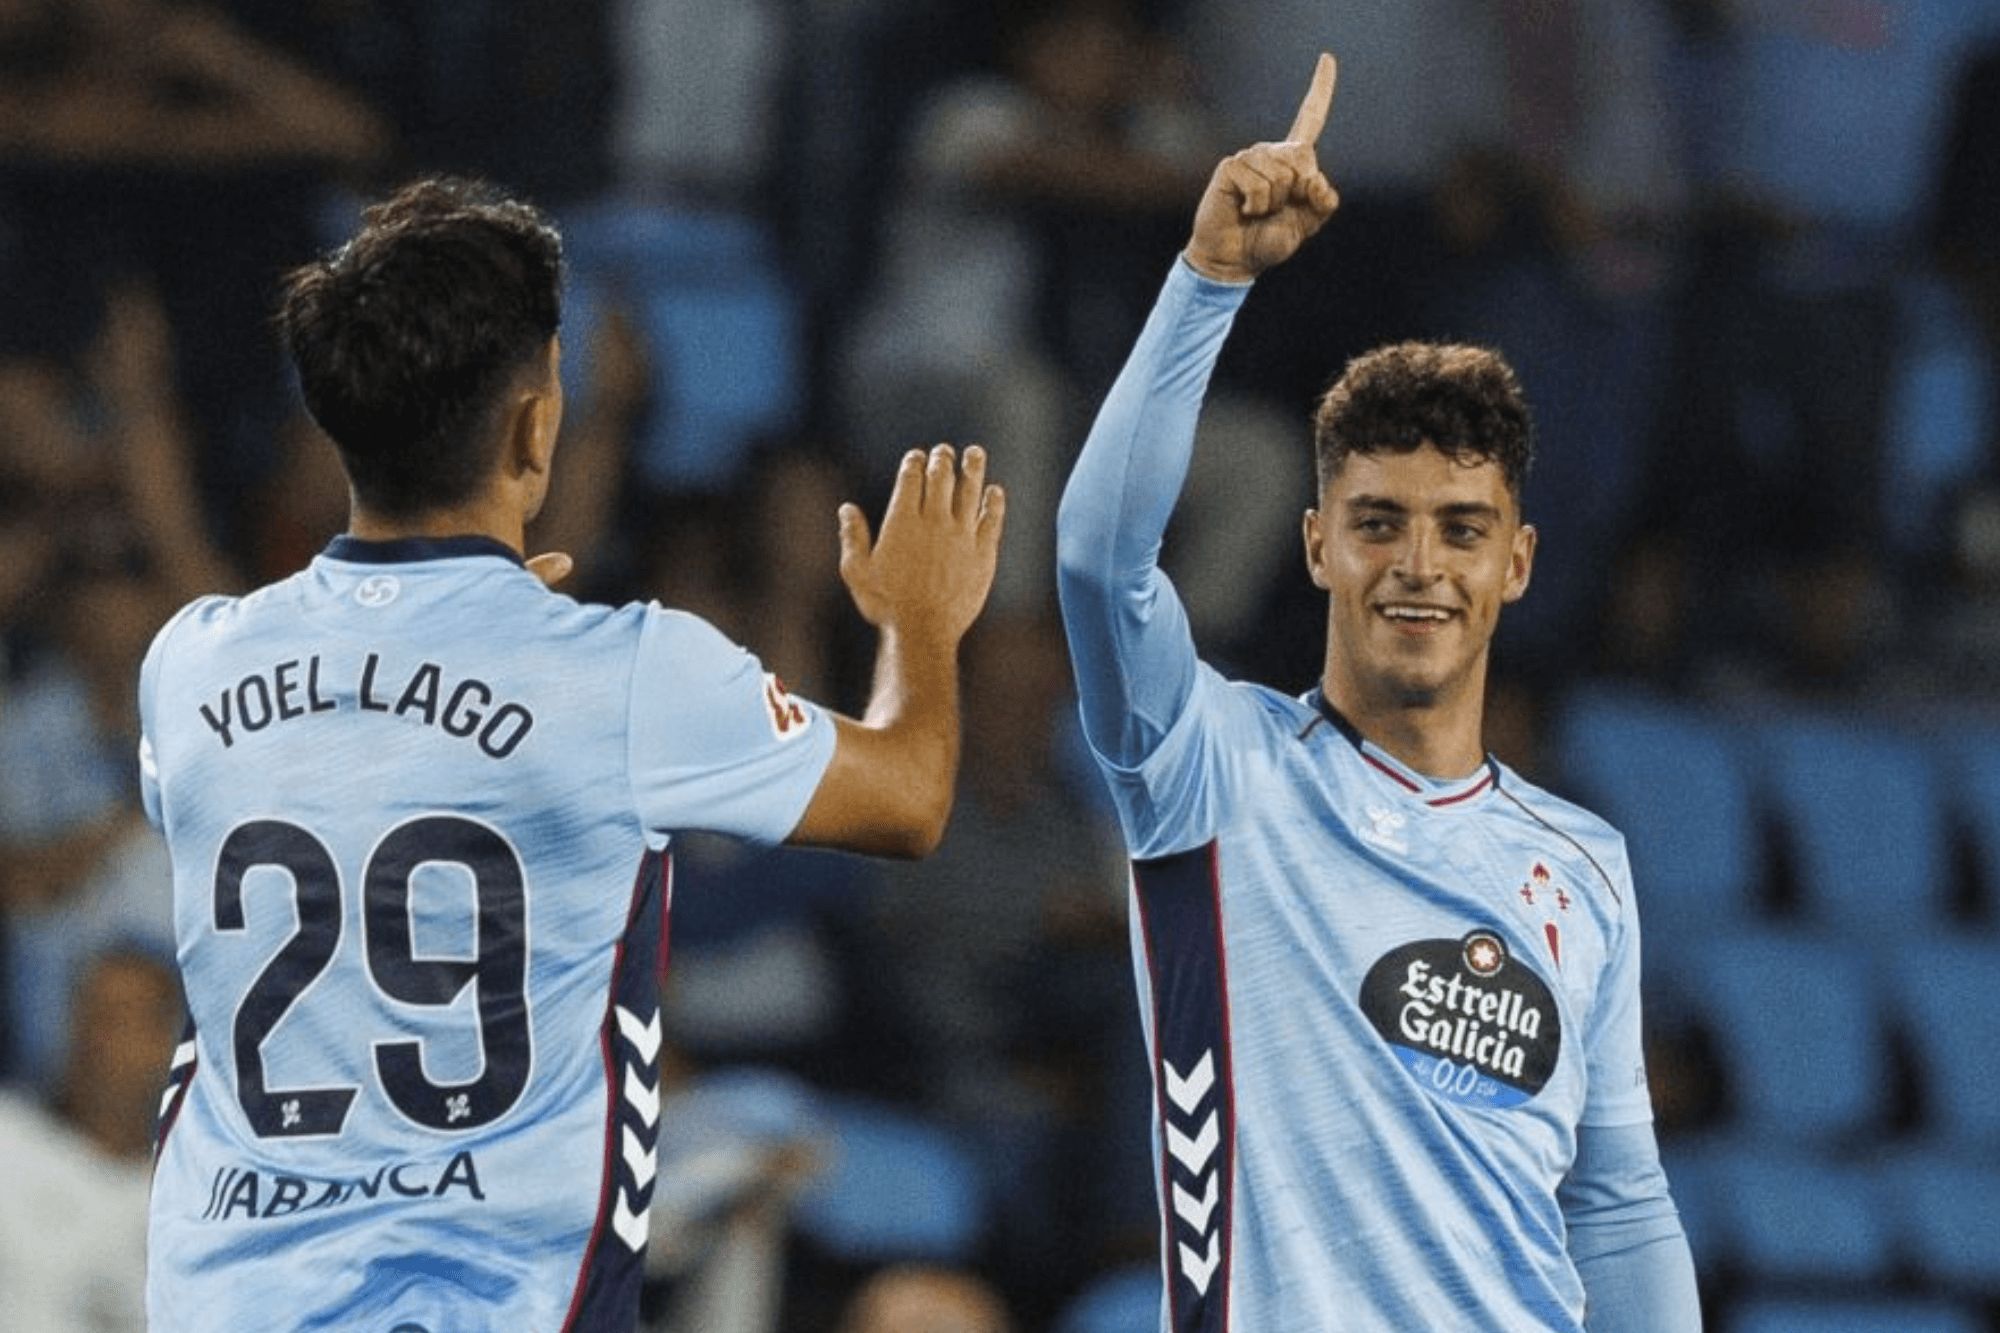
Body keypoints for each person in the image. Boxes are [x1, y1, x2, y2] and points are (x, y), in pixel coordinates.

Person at [138, 178, 1005, 1332]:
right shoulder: (627, 674)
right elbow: (908, 796)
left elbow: (350, 767)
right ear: (535, 424)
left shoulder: (190, 663)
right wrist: (920, 624)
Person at [1055, 54, 1700, 1331]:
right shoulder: (1207, 766)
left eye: (1461, 530)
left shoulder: (1585, 866)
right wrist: (1208, 282)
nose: (1418, 566)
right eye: (1377, 522)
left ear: (1514, 562)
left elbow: (1620, 1204)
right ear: (1315, 546)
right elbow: (1097, 559)